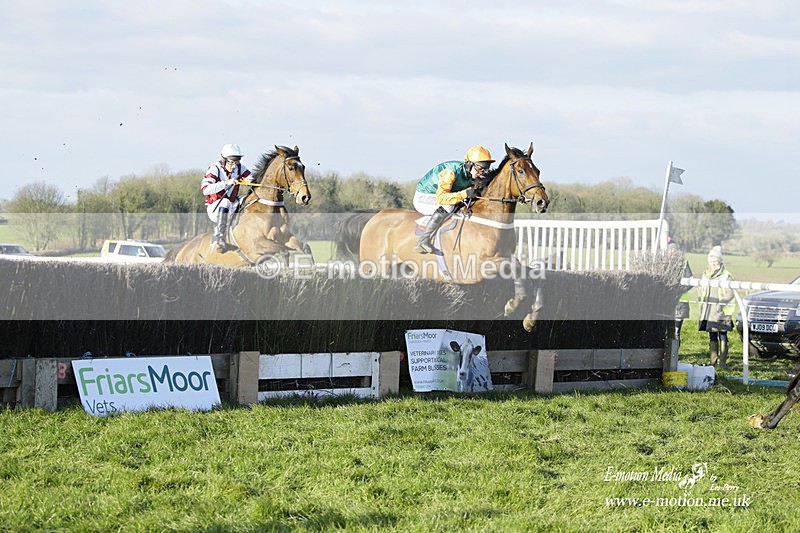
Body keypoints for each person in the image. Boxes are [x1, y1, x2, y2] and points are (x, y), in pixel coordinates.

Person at [412, 145, 494, 254]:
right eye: (479, 168)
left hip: (442, 196)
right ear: (469, 164)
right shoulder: (449, 172)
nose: (482, 172)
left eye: (485, 168)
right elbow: (442, 198)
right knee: (449, 205)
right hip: (425, 197)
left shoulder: (471, 174)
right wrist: (465, 193)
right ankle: (423, 240)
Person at [201, 143, 254, 253]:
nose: (234, 166)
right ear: (224, 160)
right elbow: (205, 189)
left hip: (232, 204)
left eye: (237, 162)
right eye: (231, 162)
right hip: (215, 207)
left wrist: (250, 181)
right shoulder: (214, 169)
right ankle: (220, 237)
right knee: (225, 202)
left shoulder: (239, 168)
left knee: (246, 199)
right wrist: (225, 183)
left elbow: (251, 179)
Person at [698, 245, 735, 367]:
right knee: (712, 336)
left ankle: (722, 363)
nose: (713, 263)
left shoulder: (726, 275)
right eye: (711, 261)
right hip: (709, 310)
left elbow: (730, 293)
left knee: (723, 336)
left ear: (720, 261)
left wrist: (720, 305)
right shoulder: (705, 274)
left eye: (715, 261)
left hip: (721, 311)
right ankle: (712, 362)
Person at [667, 238, 693, 348]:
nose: (672, 254)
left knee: (676, 332)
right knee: (667, 332)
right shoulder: (665, 263)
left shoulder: (684, 264)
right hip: (667, 303)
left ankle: (676, 355)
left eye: (674, 251)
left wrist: (678, 290)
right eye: (670, 251)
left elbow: (690, 281)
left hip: (680, 303)